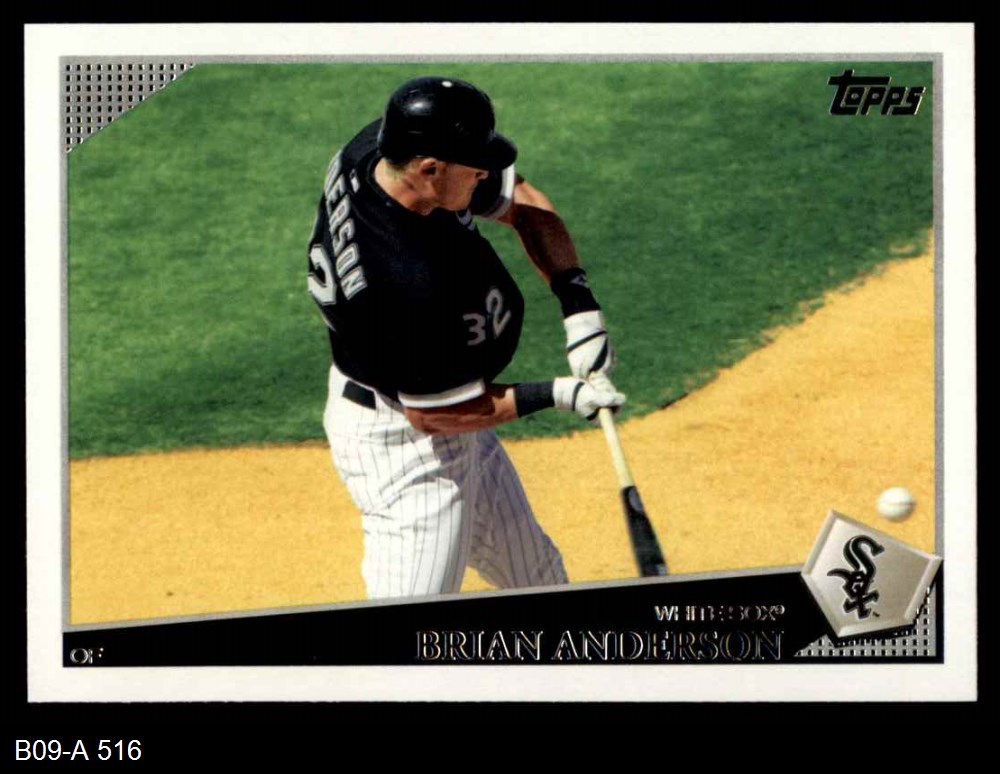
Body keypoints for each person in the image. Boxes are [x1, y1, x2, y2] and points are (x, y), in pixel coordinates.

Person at [307, 76, 623, 599]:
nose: (485, 174)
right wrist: (561, 393)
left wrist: (579, 305)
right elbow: (435, 415)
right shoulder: (399, 282)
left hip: (444, 394)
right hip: (409, 446)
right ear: (429, 169)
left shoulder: (381, 150)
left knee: (538, 579)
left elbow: (522, 200)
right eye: (473, 167)